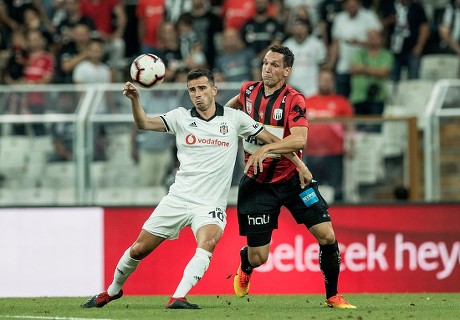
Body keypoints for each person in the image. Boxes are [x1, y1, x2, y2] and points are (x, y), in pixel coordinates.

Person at [81, 68, 311, 310]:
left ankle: (178, 298)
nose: (197, 94)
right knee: (139, 249)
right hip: (178, 198)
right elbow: (143, 123)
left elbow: (274, 142)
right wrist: (136, 100)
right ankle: (112, 291)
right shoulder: (180, 117)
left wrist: (299, 164)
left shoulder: (234, 119)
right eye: (192, 90)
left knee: (208, 241)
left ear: (214, 90)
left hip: (210, 204)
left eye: (202, 88)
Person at [225, 45, 356, 308]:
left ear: (287, 71)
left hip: (294, 181)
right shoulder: (248, 91)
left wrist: (268, 147)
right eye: (265, 63)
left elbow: (300, 139)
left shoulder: (294, 100)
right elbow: (230, 111)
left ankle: (332, 295)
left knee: (328, 236)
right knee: (260, 257)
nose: (267, 68)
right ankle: (246, 262)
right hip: (257, 184)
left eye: (274, 65)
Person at [304, 69, 354, 202]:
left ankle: (340, 219)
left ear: (333, 82)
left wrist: (351, 145)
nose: (326, 83)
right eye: (323, 79)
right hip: (312, 153)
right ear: (317, 81)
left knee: (337, 190)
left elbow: (350, 126)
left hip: (335, 153)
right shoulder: (307, 101)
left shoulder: (341, 102)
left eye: (329, 80)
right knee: (311, 191)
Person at [349, 29, 393, 132]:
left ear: (381, 39)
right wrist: (374, 70)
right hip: (358, 97)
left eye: (375, 37)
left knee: (375, 131)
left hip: (377, 98)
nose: (372, 40)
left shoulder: (386, 55)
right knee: (358, 132)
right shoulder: (358, 53)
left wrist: (363, 69)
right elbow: (354, 69)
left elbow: (383, 72)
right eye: (370, 37)